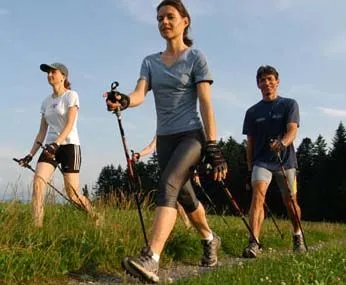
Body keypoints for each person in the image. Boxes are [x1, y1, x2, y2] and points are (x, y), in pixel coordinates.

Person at [105, 0, 228, 282]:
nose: (164, 22)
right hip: (165, 139)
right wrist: (122, 100)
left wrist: (213, 145)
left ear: (185, 21)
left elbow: (206, 103)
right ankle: (210, 238)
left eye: (170, 17)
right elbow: (138, 94)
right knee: (184, 195)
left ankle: (152, 258)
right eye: (159, 18)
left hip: (191, 136)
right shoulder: (150, 62)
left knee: (169, 183)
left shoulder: (196, 57)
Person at [18, 62, 95, 227]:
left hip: (69, 145)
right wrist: (30, 155)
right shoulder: (46, 102)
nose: (49, 75)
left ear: (63, 76)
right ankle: (36, 227)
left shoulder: (71, 95)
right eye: (48, 73)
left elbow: (70, 124)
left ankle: (95, 217)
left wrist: (57, 143)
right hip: (50, 147)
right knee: (38, 183)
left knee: (73, 194)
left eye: (53, 72)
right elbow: (41, 132)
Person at [242, 65, 306, 258]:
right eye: (262, 80)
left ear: (277, 82)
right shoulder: (252, 111)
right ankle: (254, 242)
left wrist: (283, 143)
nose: (266, 83)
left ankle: (297, 235)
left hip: (285, 161)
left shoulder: (289, 104)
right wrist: (249, 166)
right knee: (258, 196)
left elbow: (293, 129)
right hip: (261, 161)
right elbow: (250, 142)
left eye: (270, 79)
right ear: (258, 85)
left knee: (290, 201)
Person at [132, 136, 192, 229]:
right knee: (175, 200)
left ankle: (191, 226)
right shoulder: (161, 134)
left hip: (180, 169)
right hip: (168, 172)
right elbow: (151, 147)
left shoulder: (181, 132)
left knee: (186, 200)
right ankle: (185, 226)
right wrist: (139, 154)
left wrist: (195, 173)